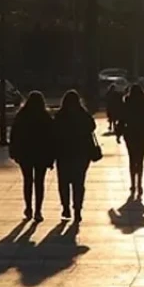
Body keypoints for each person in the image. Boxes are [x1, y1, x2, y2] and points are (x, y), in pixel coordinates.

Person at [10, 91, 55, 222]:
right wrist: (51, 156)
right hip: (41, 154)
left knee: (27, 181)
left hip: (25, 154)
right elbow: (52, 138)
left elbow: (14, 135)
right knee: (39, 182)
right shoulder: (45, 117)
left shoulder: (21, 116)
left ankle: (28, 207)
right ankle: (38, 210)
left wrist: (14, 152)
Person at [53, 90, 96, 221]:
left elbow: (54, 133)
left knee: (64, 182)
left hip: (64, 153)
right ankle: (77, 209)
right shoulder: (83, 115)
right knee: (79, 183)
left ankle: (66, 207)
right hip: (81, 153)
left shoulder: (60, 116)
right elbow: (92, 127)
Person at [115, 83, 144, 197]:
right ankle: (139, 184)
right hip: (143, 132)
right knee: (140, 159)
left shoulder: (127, 104)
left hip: (130, 132)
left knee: (132, 158)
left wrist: (118, 134)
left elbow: (121, 120)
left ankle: (132, 184)